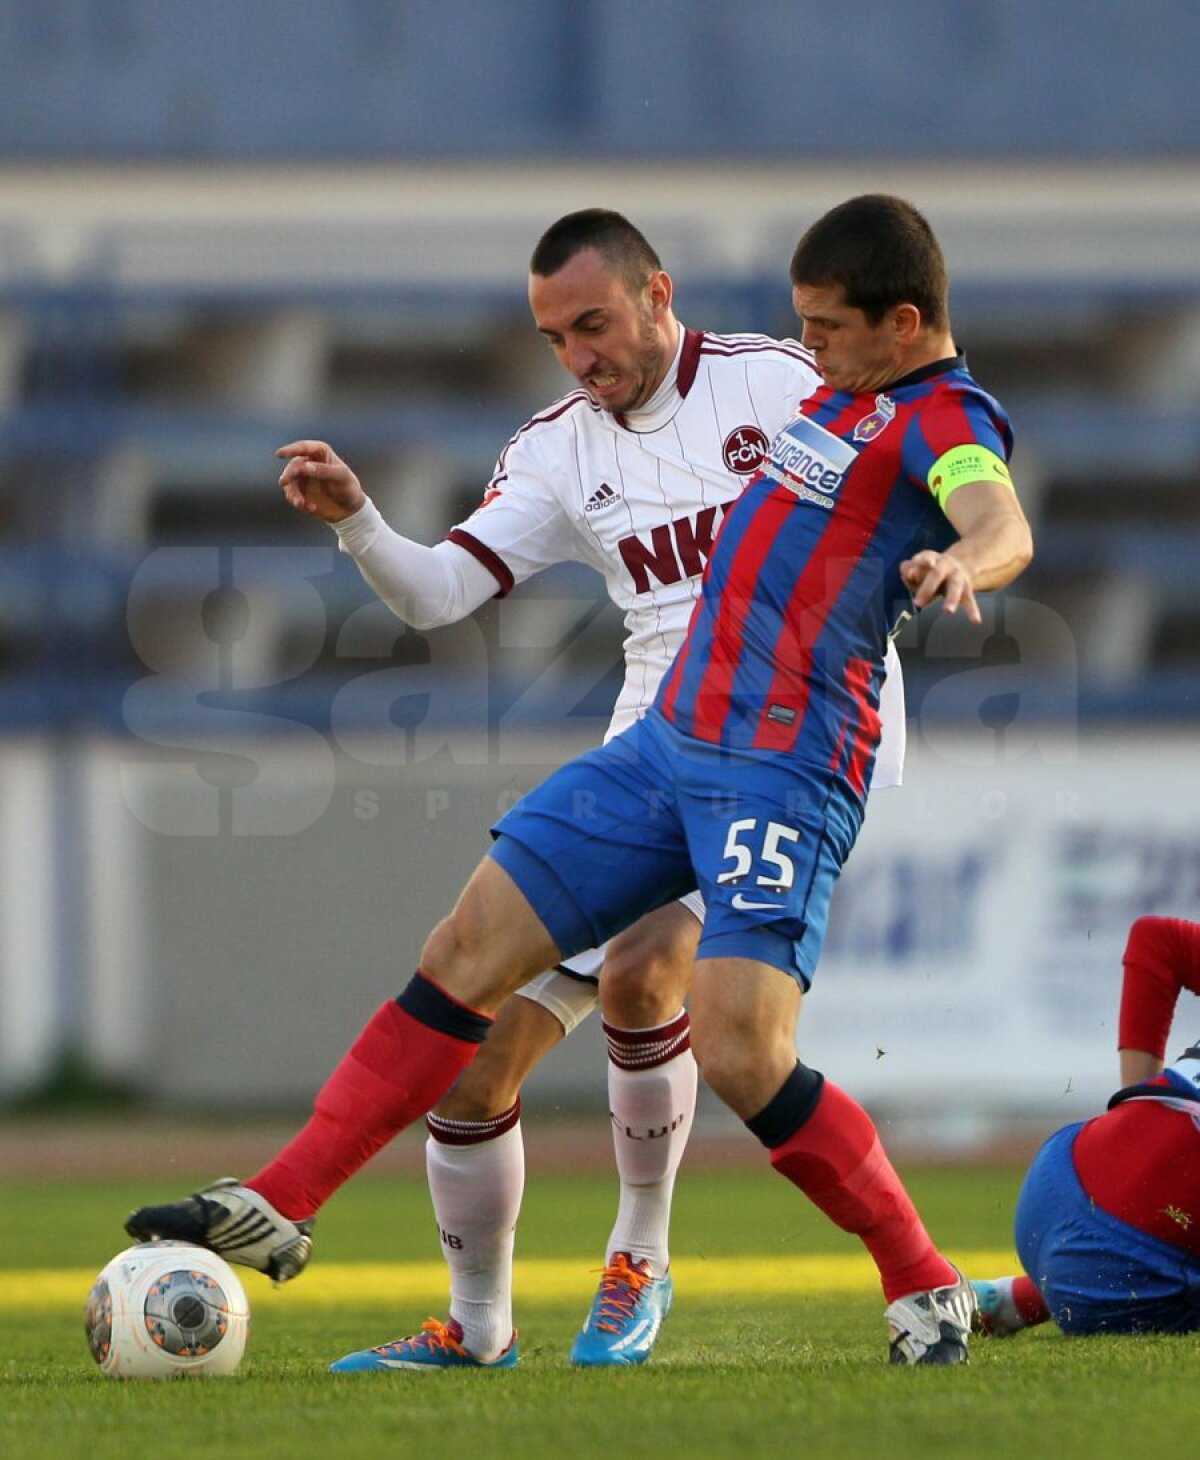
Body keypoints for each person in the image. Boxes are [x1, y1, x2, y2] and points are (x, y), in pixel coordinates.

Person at [127, 194, 1033, 1368]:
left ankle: (909, 1280)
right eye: (801, 328)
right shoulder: (822, 404)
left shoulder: (925, 412)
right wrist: (363, 525)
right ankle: (287, 1198)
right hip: (660, 743)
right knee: (467, 953)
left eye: (825, 329)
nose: (808, 349)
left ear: (901, 322)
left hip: (778, 764)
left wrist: (970, 556)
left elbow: (996, 509)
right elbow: (451, 583)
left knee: (734, 1043)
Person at [974, 916, 1200, 1338]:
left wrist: (1133, 1130)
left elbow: (1157, 939)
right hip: (1134, 1279)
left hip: (1056, 1179)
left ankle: (1017, 1297)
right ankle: (1042, 1290)